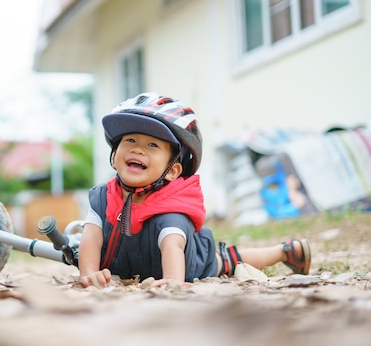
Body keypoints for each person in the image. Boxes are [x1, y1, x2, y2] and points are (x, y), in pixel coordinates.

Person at [78, 92, 311, 288]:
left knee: (228, 261)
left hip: (192, 260)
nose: (138, 150)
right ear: (115, 153)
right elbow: (91, 236)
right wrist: (88, 272)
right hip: (131, 258)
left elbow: (172, 246)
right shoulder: (103, 197)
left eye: (152, 145)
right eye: (129, 141)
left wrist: (172, 281)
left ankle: (285, 251)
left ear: (172, 170)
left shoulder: (170, 212)